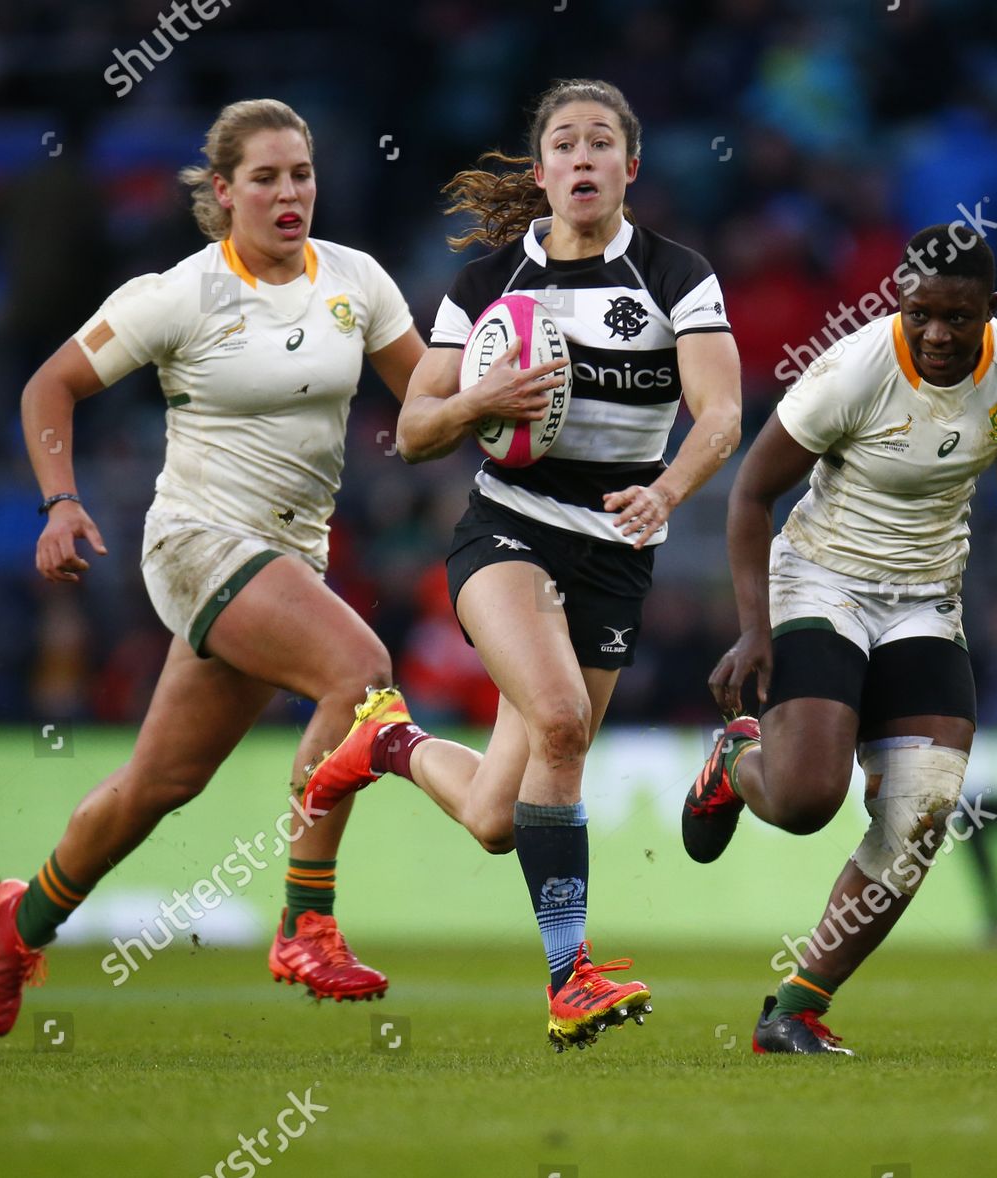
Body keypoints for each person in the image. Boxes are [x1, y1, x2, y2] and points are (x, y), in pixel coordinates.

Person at [298, 78, 742, 1050]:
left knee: (500, 816)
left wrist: (667, 490)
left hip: (619, 552)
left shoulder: (677, 277)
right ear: (540, 172)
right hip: (509, 531)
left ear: (630, 166)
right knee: (560, 720)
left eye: (601, 144)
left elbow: (721, 414)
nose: (583, 159)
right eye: (565, 145)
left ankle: (388, 745)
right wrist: (478, 398)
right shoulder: (485, 287)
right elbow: (413, 428)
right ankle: (569, 974)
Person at [0, 98, 427, 1036]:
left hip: (286, 562)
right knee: (362, 672)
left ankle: (22, 918)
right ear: (223, 193)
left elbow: (424, 409)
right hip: (196, 546)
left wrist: (498, 393)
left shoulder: (357, 280)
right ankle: (306, 920)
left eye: (300, 173)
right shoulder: (181, 292)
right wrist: (61, 502)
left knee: (157, 786)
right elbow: (48, 384)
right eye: (264, 177)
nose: (287, 192)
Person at [686, 224, 997, 1054]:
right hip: (821, 578)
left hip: (926, 597)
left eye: (958, 318)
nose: (936, 333)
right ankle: (736, 763)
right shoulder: (852, 370)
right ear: (899, 298)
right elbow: (750, 496)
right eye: (922, 312)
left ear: (989, 311)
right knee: (805, 800)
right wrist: (753, 630)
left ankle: (795, 1010)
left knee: (921, 812)